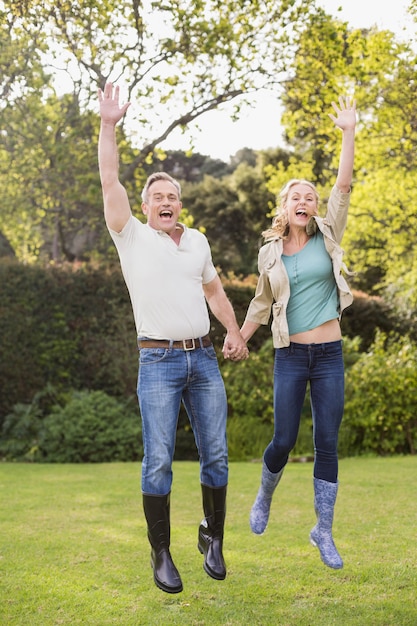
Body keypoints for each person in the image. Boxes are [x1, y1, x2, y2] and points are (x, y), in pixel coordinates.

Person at [97, 82, 249, 594]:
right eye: (158, 197)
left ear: (181, 205)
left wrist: (233, 331)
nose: (167, 202)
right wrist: (109, 125)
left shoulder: (198, 241)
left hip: (204, 360)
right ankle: (161, 552)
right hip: (158, 362)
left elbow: (215, 292)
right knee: (158, 457)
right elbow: (109, 178)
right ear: (143, 207)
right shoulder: (131, 235)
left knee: (218, 455)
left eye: (173, 197)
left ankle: (214, 537)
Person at [240, 96, 356, 570]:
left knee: (326, 441)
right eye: (296, 197)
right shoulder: (271, 253)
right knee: (284, 439)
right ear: (284, 208)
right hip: (290, 356)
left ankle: (322, 531)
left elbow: (344, 185)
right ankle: (265, 497)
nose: (305, 201)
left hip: (329, 354)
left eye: (310, 196)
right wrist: (240, 336)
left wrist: (348, 131)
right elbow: (262, 304)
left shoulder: (329, 233)